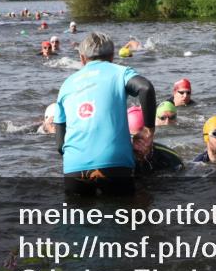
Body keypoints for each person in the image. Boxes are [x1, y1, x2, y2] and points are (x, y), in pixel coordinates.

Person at [54, 32, 157, 195]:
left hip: (75, 168)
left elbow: (60, 146)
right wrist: (148, 130)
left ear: (82, 58)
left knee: (76, 218)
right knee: (126, 217)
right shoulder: (120, 72)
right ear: (112, 56)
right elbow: (145, 88)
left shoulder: (66, 85)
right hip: (115, 163)